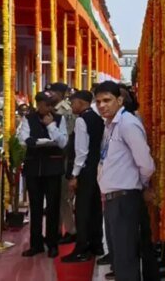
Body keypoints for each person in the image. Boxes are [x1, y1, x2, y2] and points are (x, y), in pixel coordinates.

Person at [94, 81, 159, 281]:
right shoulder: (110, 126)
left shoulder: (127, 124)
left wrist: (141, 185)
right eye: (98, 102)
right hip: (114, 198)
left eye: (107, 100)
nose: (102, 105)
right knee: (120, 257)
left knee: (125, 258)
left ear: (119, 100)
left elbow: (146, 163)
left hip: (125, 198)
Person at [17, 91, 68, 258]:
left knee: (53, 207)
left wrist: (50, 126)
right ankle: (36, 243)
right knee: (35, 207)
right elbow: (22, 138)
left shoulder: (59, 119)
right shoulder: (28, 119)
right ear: (38, 104)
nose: (49, 107)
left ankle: (52, 243)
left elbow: (63, 142)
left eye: (51, 104)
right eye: (45, 104)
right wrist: (32, 141)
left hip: (52, 168)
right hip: (33, 167)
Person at [62, 91, 105, 263]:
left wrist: (74, 175)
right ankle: (96, 244)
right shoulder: (97, 118)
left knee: (82, 210)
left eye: (73, 104)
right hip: (96, 170)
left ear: (81, 103)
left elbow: (81, 151)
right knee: (94, 208)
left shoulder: (82, 120)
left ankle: (82, 248)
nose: (72, 107)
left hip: (85, 171)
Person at [49, 82, 77, 244]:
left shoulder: (66, 110)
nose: (50, 95)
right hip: (53, 156)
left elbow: (69, 136)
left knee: (64, 196)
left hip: (64, 156)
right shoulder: (51, 108)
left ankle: (70, 230)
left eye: (52, 92)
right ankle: (57, 230)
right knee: (55, 197)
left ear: (60, 93)